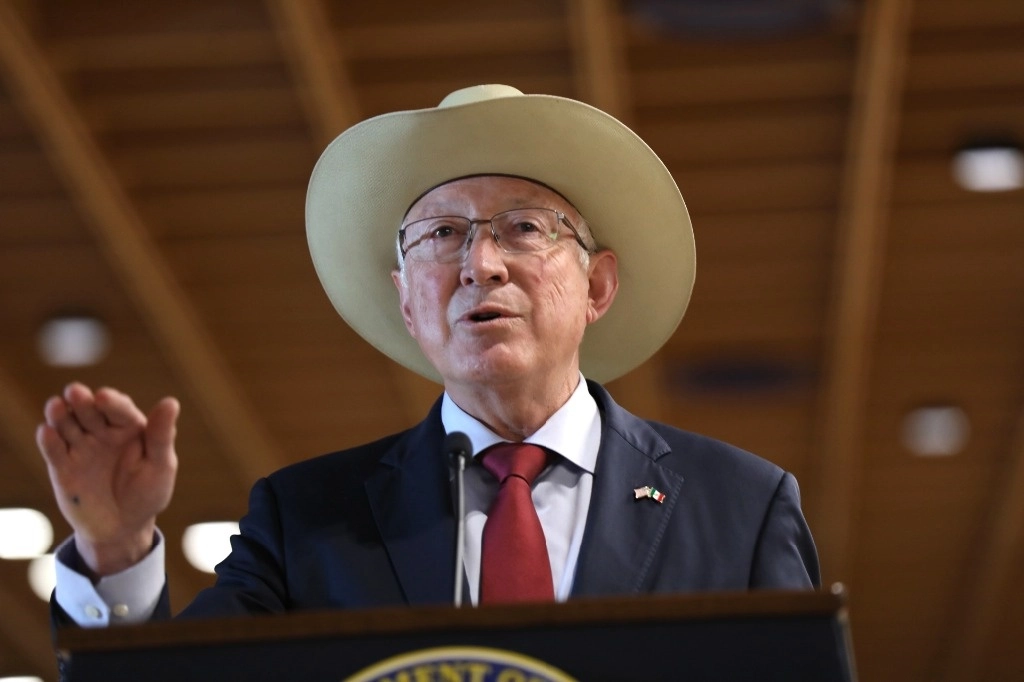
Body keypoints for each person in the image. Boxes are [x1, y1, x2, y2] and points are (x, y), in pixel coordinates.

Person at [38, 84, 819, 627]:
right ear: (408, 302)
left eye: (522, 227)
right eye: (443, 234)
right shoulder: (307, 519)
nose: (480, 264)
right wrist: (113, 548)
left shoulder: (741, 507)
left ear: (598, 285)